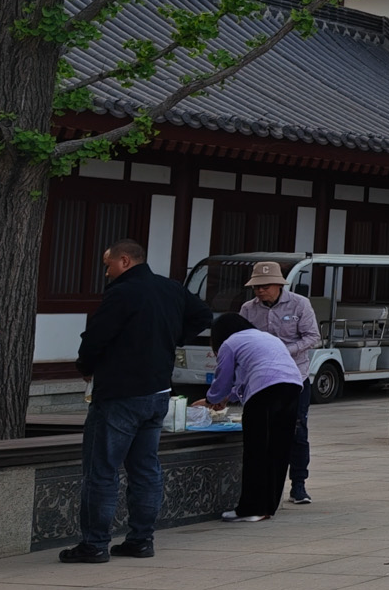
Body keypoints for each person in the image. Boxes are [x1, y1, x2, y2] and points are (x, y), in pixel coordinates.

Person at [64, 238, 211, 563]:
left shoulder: (121, 292)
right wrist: (172, 338)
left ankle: (94, 544)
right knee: (145, 468)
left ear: (125, 261)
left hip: (119, 392)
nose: (106, 272)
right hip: (157, 391)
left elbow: (96, 337)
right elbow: (203, 315)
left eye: (108, 265)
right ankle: (141, 540)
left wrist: (85, 367)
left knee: (102, 469)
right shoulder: (170, 288)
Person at [204, 313, 308, 522]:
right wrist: (228, 398)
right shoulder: (266, 337)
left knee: (256, 449)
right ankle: (268, 507)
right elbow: (246, 378)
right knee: (278, 450)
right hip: (293, 387)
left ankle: (250, 508)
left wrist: (210, 399)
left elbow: (222, 379)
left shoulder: (230, 343)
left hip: (265, 392)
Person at [239, 262, 319, 505]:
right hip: (261, 380)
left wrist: (283, 350)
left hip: (295, 377)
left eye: (265, 286)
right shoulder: (248, 309)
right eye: (256, 287)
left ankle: (299, 484)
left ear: (278, 285)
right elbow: (241, 339)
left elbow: (313, 337)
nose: (260, 291)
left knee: (297, 430)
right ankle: (268, 487)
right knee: (263, 432)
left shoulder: (299, 304)